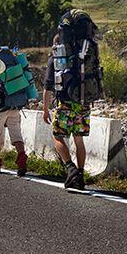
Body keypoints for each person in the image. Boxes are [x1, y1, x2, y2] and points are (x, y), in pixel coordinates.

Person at [43, 34, 89, 190]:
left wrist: (45, 109)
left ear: (56, 45)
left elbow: (48, 88)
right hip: (82, 105)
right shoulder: (81, 59)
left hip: (64, 104)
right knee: (79, 141)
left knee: (58, 136)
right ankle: (80, 176)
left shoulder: (55, 60)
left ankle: (70, 169)